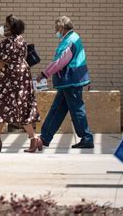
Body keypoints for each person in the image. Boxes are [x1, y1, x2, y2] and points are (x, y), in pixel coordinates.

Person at [0, 14, 41, 153]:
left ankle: (34, 139)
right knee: (6, 108)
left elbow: (2, 62)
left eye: (6, 26)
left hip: (11, 82)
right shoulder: (18, 40)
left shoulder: (11, 42)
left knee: (15, 108)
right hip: (11, 81)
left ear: (12, 29)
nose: (3, 27)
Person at [36, 16, 94, 149]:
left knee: (76, 110)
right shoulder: (70, 38)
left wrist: (45, 73)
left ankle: (86, 137)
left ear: (62, 28)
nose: (55, 31)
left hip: (71, 80)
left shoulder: (70, 40)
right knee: (57, 110)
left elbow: (61, 61)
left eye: (56, 28)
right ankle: (45, 137)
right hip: (68, 81)